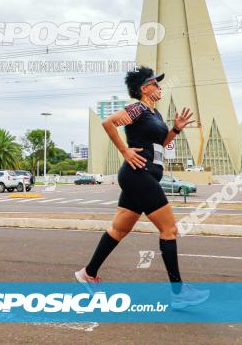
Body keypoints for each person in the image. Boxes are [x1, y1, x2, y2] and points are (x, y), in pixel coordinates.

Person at [75, 66, 210, 308]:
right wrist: (124, 151)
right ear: (143, 88)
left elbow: (162, 141)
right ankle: (178, 293)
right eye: (155, 83)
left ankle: (88, 273)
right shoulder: (136, 109)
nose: (159, 87)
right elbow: (108, 123)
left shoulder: (154, 114)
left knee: (119, 230)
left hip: (141, 176)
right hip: (139, 175)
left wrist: (176, 128)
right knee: (169, 230)